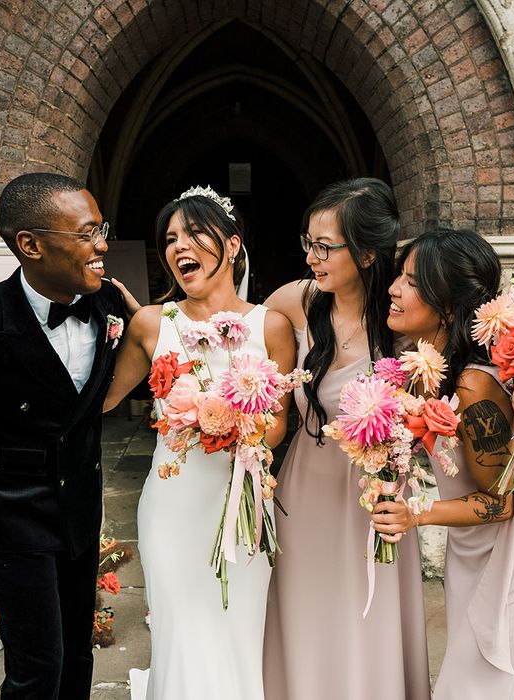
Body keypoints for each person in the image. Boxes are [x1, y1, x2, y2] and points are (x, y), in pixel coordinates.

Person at [0, 173, 126, 699]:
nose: (102, 244)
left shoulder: (110, 307)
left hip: (80, 521)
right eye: (86, 233)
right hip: (13, 528)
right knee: (38, 671)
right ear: (31, 245)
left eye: (100, 228)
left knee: (77, 659)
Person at [103, 186, 295, 699]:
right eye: (170, 239)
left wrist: (240, 429)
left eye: (193, 233)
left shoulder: (270, 326)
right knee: (180, 629)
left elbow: (278, 423)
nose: (178, 246)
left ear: (232, 246)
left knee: (239, 629)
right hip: (172, 504)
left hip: (244, 506)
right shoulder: (151, 323)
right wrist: (100, 327)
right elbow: (102, 400)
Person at [372, 228, 514, 699]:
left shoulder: (474, 386)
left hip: (511, 548)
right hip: (472, 543)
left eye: (412, 282)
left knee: (489, 684)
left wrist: (415, 515)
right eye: (400, 275)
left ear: (450, 306)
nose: (394, 288)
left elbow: (501, 505)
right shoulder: (430, 368)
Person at [262, 178, 432, 700]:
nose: (312, 257)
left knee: (366, 612)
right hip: (304, 489)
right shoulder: (296, 300)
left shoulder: (405, 321)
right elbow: (236, 334)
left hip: (372, 500)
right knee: (305, 608)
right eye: (308, 243)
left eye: (325, 246)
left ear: (365, 253)